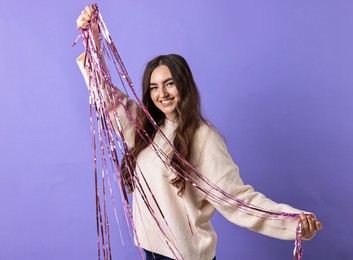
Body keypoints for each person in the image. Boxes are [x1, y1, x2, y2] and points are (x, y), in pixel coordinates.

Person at [76, 6, 322, 260]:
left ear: (184, 85)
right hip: (150, 251)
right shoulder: (145, 127)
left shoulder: (203, 137)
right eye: (154, 87)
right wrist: (94, 43)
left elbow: (237, 198)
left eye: (169, 83)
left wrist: (291, 222)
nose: (162, 94)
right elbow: (108, 98)